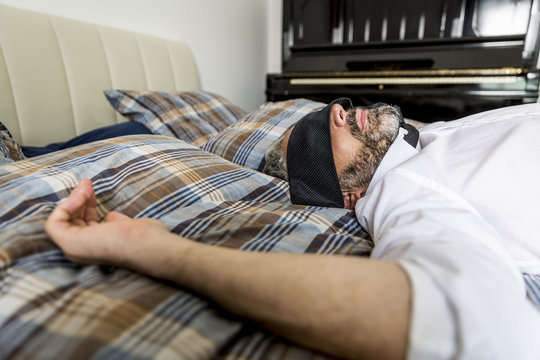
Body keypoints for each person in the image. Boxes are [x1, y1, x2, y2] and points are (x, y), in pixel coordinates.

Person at [45, 98, 540, 359]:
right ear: (348, 195)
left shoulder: (424, 140)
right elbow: (464, 319)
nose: (340, 112)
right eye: (327, 132)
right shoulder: (406, 189)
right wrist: (155, 249)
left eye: (335, 111)